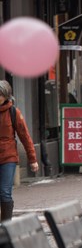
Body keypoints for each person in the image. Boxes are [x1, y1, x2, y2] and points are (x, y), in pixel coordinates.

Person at [0, 81, 37, 221]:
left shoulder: (13, 112)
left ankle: (6, 226)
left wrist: (32, 159)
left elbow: (25, 136)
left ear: (6, 96)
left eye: (0, 95)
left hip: (7, 157)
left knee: (4, 192)